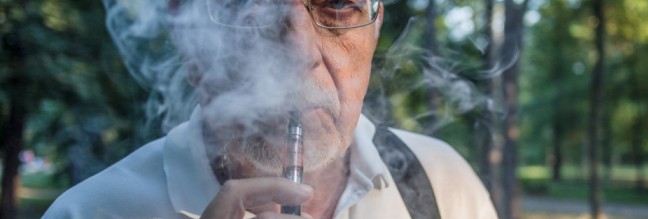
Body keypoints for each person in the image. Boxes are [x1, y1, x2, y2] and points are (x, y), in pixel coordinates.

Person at [44, 0, 497, 218]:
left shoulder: (440, 185)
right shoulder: (89, 214)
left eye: (337, 3)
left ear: (374, 29)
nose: (298, 51)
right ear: (186, 37)